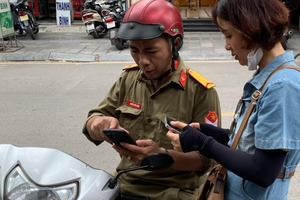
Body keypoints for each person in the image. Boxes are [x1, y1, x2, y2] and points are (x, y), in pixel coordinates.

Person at [82, 0, 221, 199]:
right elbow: (95, 117)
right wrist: (97, 124)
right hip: (125, 184)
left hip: (173, 192)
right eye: (134, 51)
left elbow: (206, 160)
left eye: (151, 51)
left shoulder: (200, 92)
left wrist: (163, 156)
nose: (142, 61)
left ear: (175, 43)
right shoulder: (128, 79)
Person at [167, 0, 300, 199]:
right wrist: (208, 132)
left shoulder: (282, 85)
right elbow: (254, 142)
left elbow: (263, 171)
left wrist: (204, 143)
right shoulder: (268, 76)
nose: (227, 45)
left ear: (251, 29)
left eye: (229, 35)